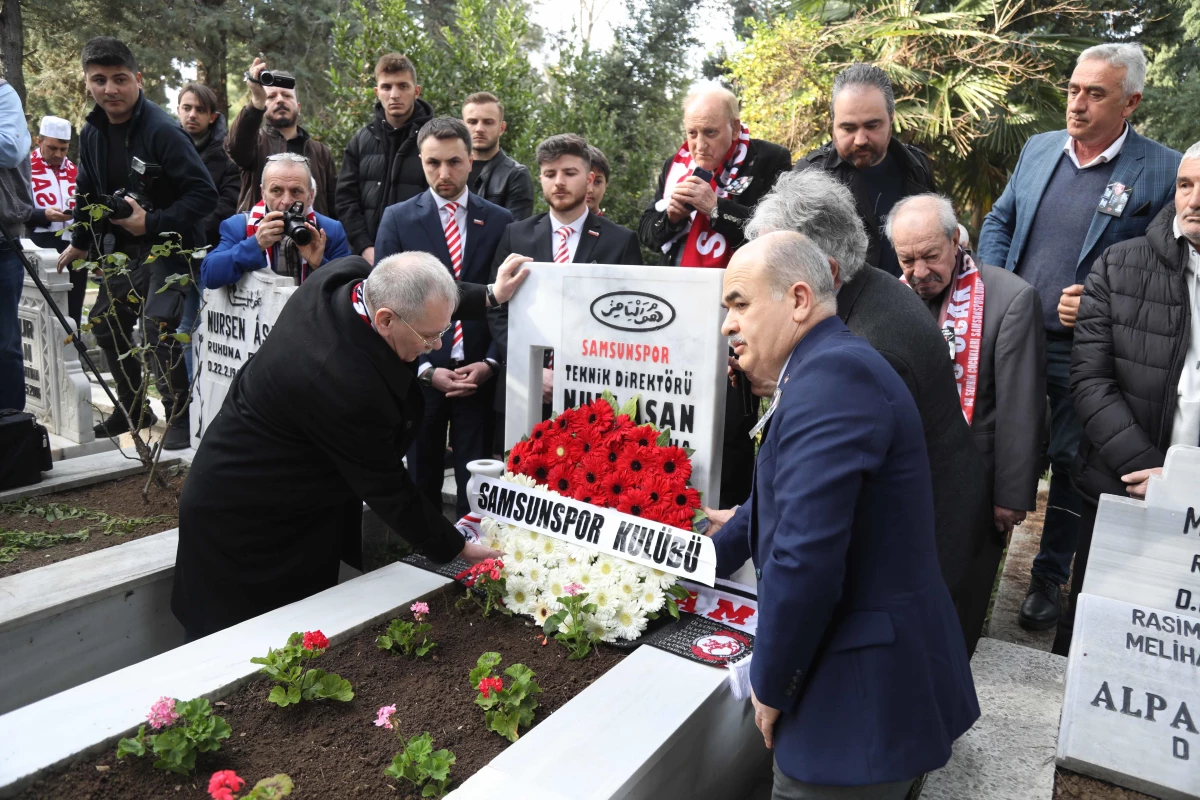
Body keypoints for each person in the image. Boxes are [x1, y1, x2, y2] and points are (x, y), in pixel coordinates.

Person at [711, 231, 979, 799]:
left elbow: (805, 557)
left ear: (800, 300)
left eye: (739, 304)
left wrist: (771, 683)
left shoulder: (833, 380)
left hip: (856, 702)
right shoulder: (827, 367)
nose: (727, 325)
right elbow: (786, 495)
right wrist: (702, 555)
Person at [172, 250, 531, 638]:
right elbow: (387, 487)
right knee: (251, 645)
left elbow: (423, 295)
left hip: (302, 493)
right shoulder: (337, 379)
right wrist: (456, 547)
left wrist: (491, 294)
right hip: (250, 518)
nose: (435, 346)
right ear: (385, 320)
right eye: (430, 337)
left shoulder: (351, 277)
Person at [709, 170, 993, 645]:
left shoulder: (865, 357)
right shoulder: (856, 298)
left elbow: (819, 528)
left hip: (913, 577)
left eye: (770, 275)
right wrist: (731, 537)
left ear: (823, 273)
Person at [977, 42, 1182, 632]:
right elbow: (1000, 219)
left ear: (1131, 102)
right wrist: (998, 283)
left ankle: (1048, 578)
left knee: (1073, 464)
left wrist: (1099, 294)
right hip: (1014, 340)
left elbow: (1163, 257)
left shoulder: (1162, 170)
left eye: (1096, 94)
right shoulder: (1040, 148)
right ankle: (976, 563)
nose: (1078, 103)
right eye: (1074, 89)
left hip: (1088, 351)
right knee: (1000, 450)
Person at [1054, 142, 1200, 655]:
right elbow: (1091, 382)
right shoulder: (1118, 266)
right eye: (1185, 185)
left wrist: (1188, 485)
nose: (1193, 199)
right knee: (1096, 636)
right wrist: (1153, 476)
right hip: (1121, 487)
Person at [886, 194, 1047, 654]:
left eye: (930, 256)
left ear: (956, 240)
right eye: (907, 259)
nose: (919, 272)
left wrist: (1011, 497)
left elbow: (1022, 409)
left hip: (976, 486)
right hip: (905, 481)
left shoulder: (1011, 299)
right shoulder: (893, 299)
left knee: (959, 605)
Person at [55, 37, 218, 451]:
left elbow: (205, 196)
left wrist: (153, 222)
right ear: (88, 82)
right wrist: (79, 242)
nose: (110, 89)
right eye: (99, 80)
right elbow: (86, 191)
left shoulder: (163, 130)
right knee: (105, 325)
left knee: (157, 329)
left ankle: (177, 412)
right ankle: (133, 407)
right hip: (122, 251)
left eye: (120, 79)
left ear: (138, 80)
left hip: (171, 246)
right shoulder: (91, 131)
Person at [639, 84, 791, 507]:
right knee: (678, 420)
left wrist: (717, 207)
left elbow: (777, 232)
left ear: (735, 126)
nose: (699, 144)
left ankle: (732, 522)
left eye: (710, 132)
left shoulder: (770, 160)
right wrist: (670, 216)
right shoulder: (676, 166)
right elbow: (648, 236)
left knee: (732, 426)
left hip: (744, 310)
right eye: (692, 134)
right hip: (682, 314)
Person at [374, 117, 513, 516]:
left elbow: (505, 302)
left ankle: (476, 564)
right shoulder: (398, 219)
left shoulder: (500, 221)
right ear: (421, 161)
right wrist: (422, 367)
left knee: (480, 484)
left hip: (478, 375)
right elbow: (385, 301)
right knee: (420, 476)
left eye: (454, 162)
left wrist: (489, 362)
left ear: (471, 160)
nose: (443, 173)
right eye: (433, 163)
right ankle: (423, 558)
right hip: (420, 377)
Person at [487, 133, 641, 427]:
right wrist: (533, 368)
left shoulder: (620, 241)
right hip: (523, 388)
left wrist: (576, 374)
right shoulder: (515, 235)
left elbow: (629, 322)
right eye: (550, 174)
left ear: (589, 178)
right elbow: (497, 309)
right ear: (541, 178)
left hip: (595, 394)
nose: (559, 182)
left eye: (570, 173)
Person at [793, 63, 937, 278]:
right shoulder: (809, 175)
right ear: (833, 123)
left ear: (892, 118)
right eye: (848, 128)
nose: (860, 140)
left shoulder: (915, 166)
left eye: (872, 126)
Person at [335, 53, 435, 265]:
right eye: (387, 87)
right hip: (366, 259)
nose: (394, 94)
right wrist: (364, 247)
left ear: (416, 91)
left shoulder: (435, 139)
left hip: (420, 261)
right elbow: (346, 200)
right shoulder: (361, 141)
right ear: (377, 91)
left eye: (403, 86)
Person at [202, 153, 351, 289]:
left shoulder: (329, 230)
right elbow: (209, 276)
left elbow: (350, 291)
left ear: (310, 196)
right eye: (276, 190)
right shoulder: (239, 226)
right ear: (263, 193)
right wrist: (255, 244)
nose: (286, 201)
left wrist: (320, 264)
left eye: (296, 191)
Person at [176, 83, 241, 378]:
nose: (192, 115)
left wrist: (182, 228)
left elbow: (226, 206)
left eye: (200, 110)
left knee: (211, 329)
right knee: (183, 331)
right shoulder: (167, 148)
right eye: (186, 108)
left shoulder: (226, 156)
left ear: (212, 116)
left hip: (210, 256)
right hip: (173, 257)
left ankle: (210, 401)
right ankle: (190, 403)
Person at [227, 57, 338, 218]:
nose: (280, 100)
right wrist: (256, 100)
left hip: (311, 238)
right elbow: (234, 148)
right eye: (271, 97)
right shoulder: (254, 144)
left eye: (287, 95)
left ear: (298, 107)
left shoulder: (320, 152)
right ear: (262, 106)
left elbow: (333, 204)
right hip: (260, 237)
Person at [26, 116, 85, 329]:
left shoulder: (76, 170)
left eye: (64, 149)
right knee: (43, 313)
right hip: (39, 244)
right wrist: (43, 215)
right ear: (38, 141)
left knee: (73, 311)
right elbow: (15, 210)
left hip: (75, 245)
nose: (58, 154)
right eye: (52, 148)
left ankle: (73, 357)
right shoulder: (24, 167)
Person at [0, 78, 32, 412]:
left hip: (2, 244)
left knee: (5, 346)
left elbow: (9, 149)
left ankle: (11, 436)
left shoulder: (3, 94)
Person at [463, 91, 534, 221]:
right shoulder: (450, 169)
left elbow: (515, 233)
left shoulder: (516, 175)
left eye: (488, 122)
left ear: (501, 128)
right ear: (463, 126)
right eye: (472, 122)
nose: (479, 128)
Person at [586, 144, 609, 216]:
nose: (590, 189)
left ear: (606, 185)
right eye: (586, 181)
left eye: (597, 182)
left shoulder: (609, 227)